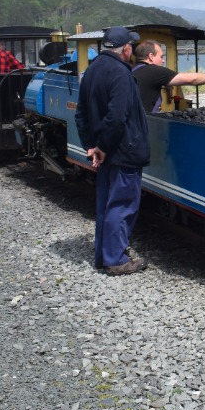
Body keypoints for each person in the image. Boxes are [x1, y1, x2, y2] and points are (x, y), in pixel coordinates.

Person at [75, 26, 150, 276]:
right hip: (123, 150)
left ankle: (103, 255)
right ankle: (116, 259)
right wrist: (103, 148)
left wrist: (91, 146)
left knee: (106, 204)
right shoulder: (120, 72)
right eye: (131, 47)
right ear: (126, 49)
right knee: (123, 204)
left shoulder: (91, 70)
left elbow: (81, 114)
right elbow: (117, 117)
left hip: (107, 150)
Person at [131, 40, 205, 113]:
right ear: (151, 56)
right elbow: (192, 79)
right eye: (161, 57)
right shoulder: (153, 71)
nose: (163, 61)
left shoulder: (131, 69)